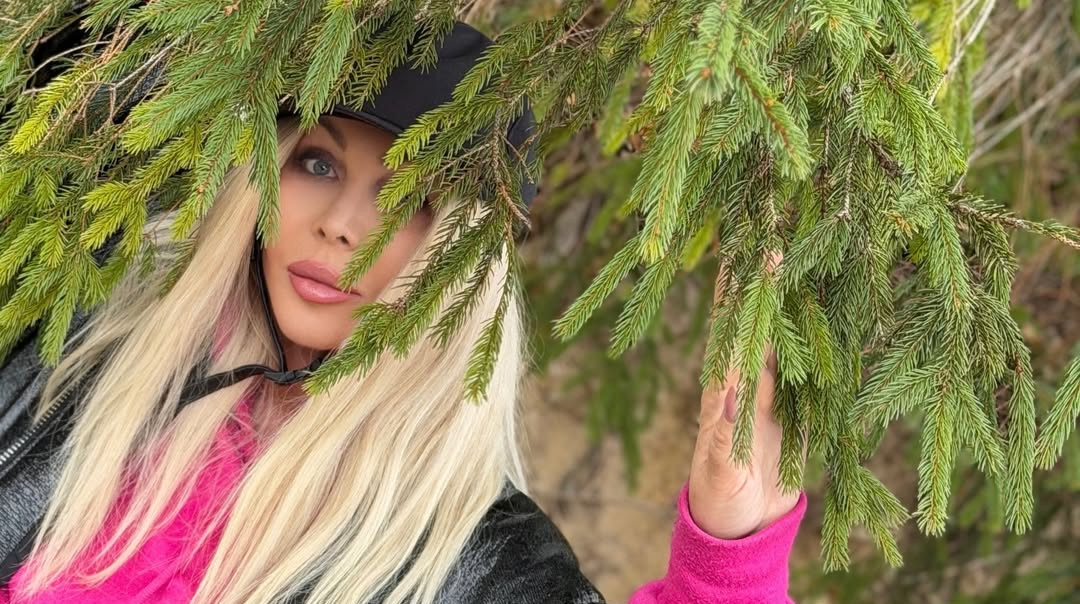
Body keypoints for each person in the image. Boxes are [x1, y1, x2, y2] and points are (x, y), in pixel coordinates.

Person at [0, 20, 806, 604]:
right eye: (318, 164)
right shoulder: (87, 366)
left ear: (462, 259)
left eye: (409, 200)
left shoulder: (476, 561)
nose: (342, 225)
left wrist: (728, 562)